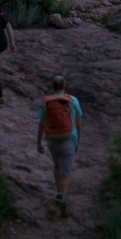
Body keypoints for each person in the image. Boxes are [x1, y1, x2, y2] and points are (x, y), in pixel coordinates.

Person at [37, 77, 82, 219]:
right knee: (66, 172)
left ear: (53, 86)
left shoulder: (47, 101)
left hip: (51, 139)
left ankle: (57, 192)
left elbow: (41, 123)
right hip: (68, 139)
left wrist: (39, 142)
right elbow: (78, 124)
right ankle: (63, 198)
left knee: (56, 166)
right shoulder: (73, 100)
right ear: (65, 85)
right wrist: (78, 141)